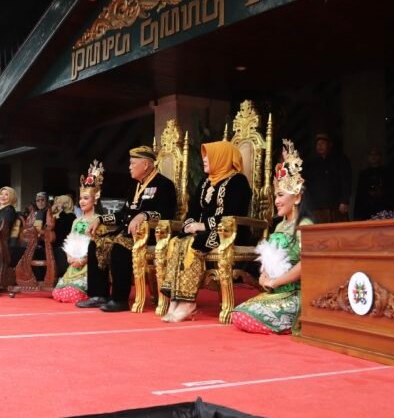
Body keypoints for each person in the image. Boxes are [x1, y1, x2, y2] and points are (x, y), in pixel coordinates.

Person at [77, 145, 177, 312]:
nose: (129, 167)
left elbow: (167, 213)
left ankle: (119, 299)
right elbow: (124, 214)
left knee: (119, 246)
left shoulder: (163, 185)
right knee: (97, 242)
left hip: (151, 234)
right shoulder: (135, 186)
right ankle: (98, 294)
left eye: (132, 163)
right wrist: (101, 219)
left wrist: (144, 215)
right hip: (128, 231)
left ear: (145, 165)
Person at [160, 141, 252, 322]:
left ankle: (188, 303)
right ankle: (175, 299)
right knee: (176, 242)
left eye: (208, 156)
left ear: (221, 158)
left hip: (228, 232)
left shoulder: (237, 182)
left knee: (193, 244)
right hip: (202, 231)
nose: (204, 160)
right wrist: (188, 224)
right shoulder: (204, 182)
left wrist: (203, 226)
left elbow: (234, 214)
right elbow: (193, 210)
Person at [233, 139, 314, 334]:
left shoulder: (304, 226)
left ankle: (292, 321)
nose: (276, 201)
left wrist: (277, 281)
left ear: (297, 197)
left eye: (280, 195)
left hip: (294, 293)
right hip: (275, 291)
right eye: (275, 196)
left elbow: (307, 265)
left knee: (246, 316)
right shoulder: (279, 226)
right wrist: (264, 275)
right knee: (238, 313)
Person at [52, 162, 104, 303]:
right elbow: (70, 240)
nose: (81, 201)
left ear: (95, 199)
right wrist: (70, 257)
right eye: (80, 198)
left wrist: (83, 260)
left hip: (89, 264)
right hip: (74, 262)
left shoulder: (98, 220)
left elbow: (99, 246)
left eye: (86, 198)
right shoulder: (76, 220)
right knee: (58, 293)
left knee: (73, 294)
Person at [303, 132, 351, 223]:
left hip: (336, 206)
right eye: (317, 144)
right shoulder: (312, 164)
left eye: (322, 143)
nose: (319, 146)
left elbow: (346, 181)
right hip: (317, 207)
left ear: (330, 145)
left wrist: (345, 201)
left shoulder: (340, 160)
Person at [354, 146, 394, 220]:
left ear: (380, 156)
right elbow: (360, 194)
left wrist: (381, 192)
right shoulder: (363, 174)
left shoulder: (387, 172)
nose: (373, 157)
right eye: (371, 154)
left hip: (384, 207)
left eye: (375, 154)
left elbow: (391, 191)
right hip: (368, 209)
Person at [51, 194, 77, 278]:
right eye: (57, 202)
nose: (57, 204)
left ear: (66, 204)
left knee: (61, 265)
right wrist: (51, 211)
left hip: (63, 245)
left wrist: (61, 211)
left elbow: (64, 226)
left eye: (60, 202)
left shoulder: (71, 216)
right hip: (54, 244)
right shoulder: (56, 215)